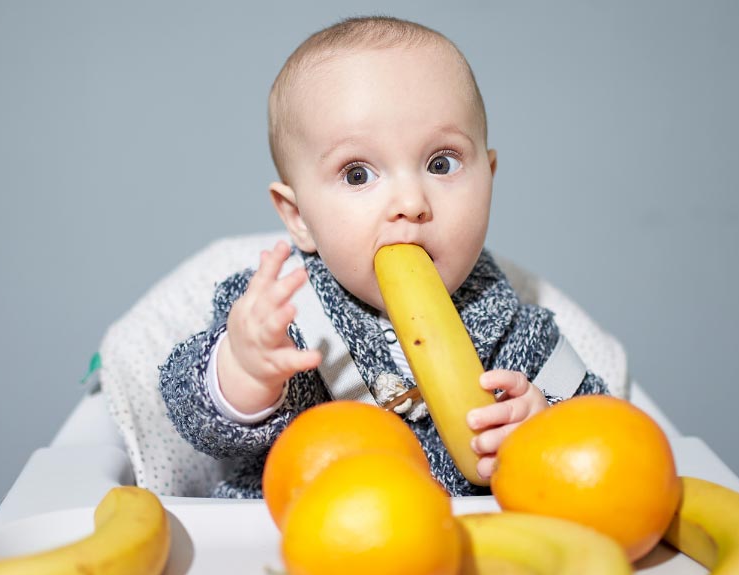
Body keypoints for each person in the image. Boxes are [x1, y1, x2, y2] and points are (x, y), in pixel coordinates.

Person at [160, 16, 607, 499]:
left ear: (489, 176)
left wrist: (540, 426)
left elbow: (600, 439)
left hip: (460, 556)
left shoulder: (520, 335)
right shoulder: (281, 316)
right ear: (299, 216)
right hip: (300, 540)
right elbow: (195, 416)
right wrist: (244, 371)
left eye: (441, 163)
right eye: (357, 175)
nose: (411, 202)